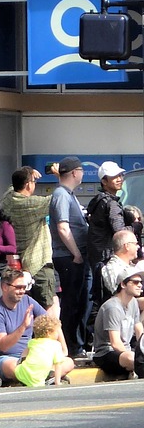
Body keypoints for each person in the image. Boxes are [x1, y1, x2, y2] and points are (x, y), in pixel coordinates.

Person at [0, 267, 64, 382]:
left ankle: (33, 378)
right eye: (18, 287)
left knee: (67, 362)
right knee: (12, 366)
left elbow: (52, 323)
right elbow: (3, 346)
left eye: (24, 287)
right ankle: (45, 377)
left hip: (29, 358)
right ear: (4, 287)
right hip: (2, 359)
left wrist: (63, 350)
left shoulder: (28, 301)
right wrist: (23, 327)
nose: (22, 291)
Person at [49, 156, 91, 357]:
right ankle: (71, 347)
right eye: (81, 170)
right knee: (71, 303)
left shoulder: (67, 193)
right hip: (68, 257)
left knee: (80, 301)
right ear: (75, 173)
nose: (82, 174)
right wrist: (76, 253)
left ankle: (78, 345)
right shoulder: (61, 195)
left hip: (74, 256)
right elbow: (63, 227)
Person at [1, 167, 57, 308]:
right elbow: (58, 197)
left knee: (26, 309)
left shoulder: (8, 199)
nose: (35, 184)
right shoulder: (32, 203)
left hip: (19, 264)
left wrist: (28, 171)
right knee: (48, 308)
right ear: (28, 184)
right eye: (34, 181)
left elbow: (11, 187)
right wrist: (59, 176)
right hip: (37, 263)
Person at [91, 262, 144, 378]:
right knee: (130, 358)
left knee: (134, 357)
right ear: (123, 285)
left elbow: (139, 329)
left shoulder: (133, 302)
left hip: (126, 350)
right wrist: (136, 358)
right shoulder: (112, 307)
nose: (140, 285)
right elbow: (115, 343)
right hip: (106, 353)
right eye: (135, 282)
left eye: (141, 282)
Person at [86, 160, 127, 305]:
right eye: (114, 176)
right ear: (104, 181)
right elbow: (120, 233)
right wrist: (136, 226)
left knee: (100, 299)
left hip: (98, 258)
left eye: (120, 175)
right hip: (106, 258)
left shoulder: (99, 200)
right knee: (110, 299)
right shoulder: (111, 203)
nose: (119, 179)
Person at [15, 315, 75, 386]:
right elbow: (58, 365)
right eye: (56, 332)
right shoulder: (55, 345)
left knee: (21, 368)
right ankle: (51, 380)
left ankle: (22, 381)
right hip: (38, 378)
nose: (58, 335)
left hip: (23, 373)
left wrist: (20, 363)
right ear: (48, 333)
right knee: (68, 362)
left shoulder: (32, 342)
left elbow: (24, 355)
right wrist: (57, 382)